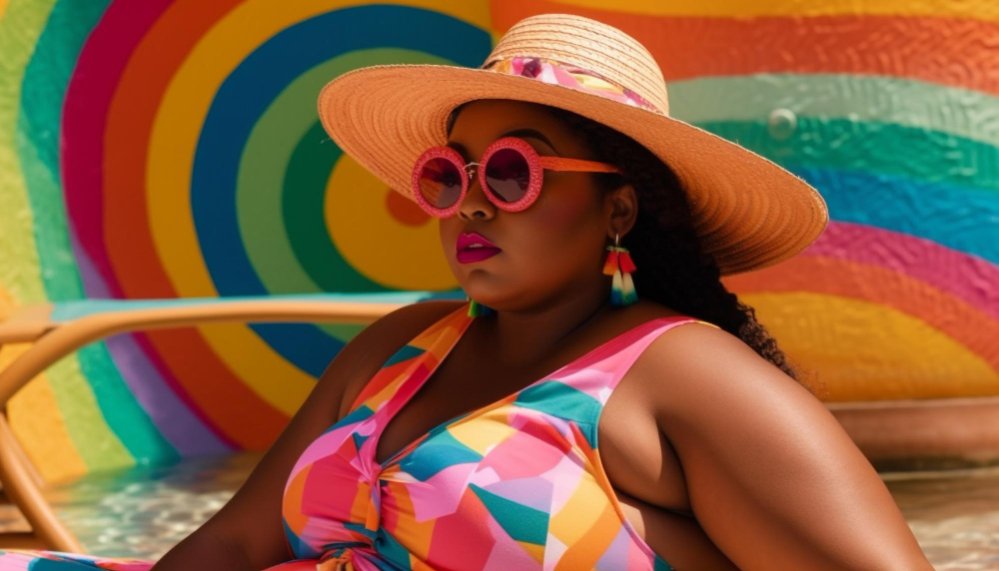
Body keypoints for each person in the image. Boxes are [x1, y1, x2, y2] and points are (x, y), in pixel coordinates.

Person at [0, 12, 930, 571]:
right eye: (451, 173)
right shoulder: (403, 348)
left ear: (616, 209)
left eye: (514, 171)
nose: (470, 201)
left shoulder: (683, 375)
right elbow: (235, 546)